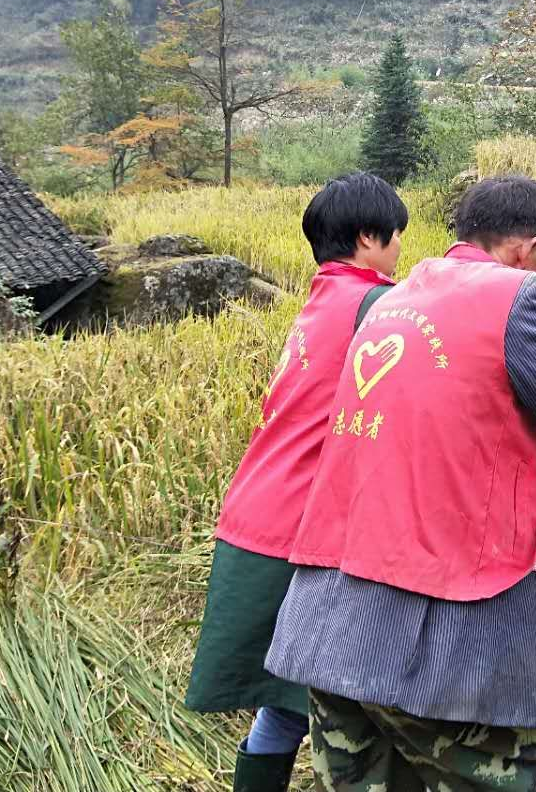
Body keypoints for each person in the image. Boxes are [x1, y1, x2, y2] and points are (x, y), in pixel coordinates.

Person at [265, 175, 536, 792]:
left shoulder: (391, 300)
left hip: (326, 630)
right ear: (525, 251)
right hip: (434, 642)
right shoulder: (521, 298)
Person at [185, 172, 408, 792]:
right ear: (368, 238)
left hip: (258, 507)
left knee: (284, 704)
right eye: (394, 239)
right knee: (320, 696)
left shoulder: (321, 300)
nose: (398, 253)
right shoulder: (373, 304)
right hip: (298, 527)